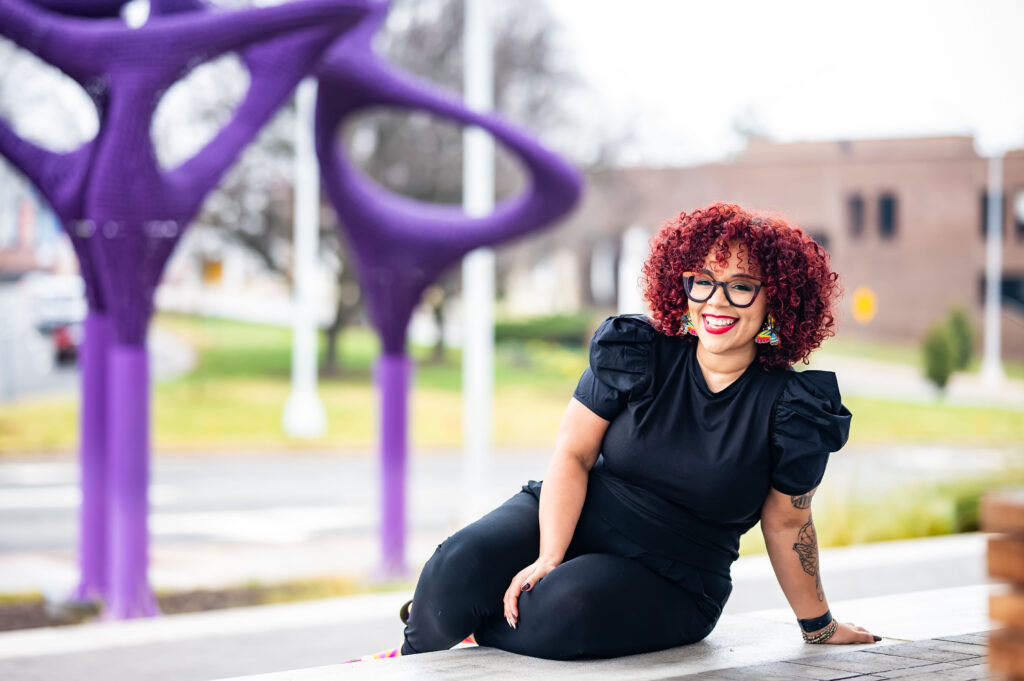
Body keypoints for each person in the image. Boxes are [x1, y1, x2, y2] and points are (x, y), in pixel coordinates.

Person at [356, 202, 879, 663]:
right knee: (456, 568)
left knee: (566, 608)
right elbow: (573, 455)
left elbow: (788, 527)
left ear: (776, 301)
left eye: (741, 287)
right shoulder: (638, 352)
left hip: (677, 574)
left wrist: (820, 626)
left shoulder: (793, 409)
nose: (716, 302)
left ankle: (472, 630)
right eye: (703, 281)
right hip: (580, 510)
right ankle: (407, 661)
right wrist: (549, 555)